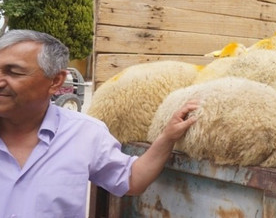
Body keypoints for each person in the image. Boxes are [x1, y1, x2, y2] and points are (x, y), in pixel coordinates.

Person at [0, 29, 200, 217]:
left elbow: (132, 179)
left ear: (55, 81)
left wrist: (167, 137)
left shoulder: (84, 134)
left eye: (13, 72)